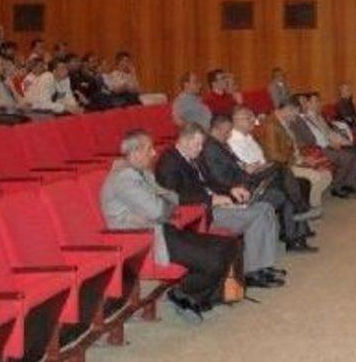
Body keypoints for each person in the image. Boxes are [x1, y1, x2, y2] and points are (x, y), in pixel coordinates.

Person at [100, 130, 240, 322]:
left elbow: (171, 196)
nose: (154, 153)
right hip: (145, 239)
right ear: (136, 152)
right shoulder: (123, 179)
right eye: (149, 149)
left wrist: (164, 205)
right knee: (212, 259)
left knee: (228, 245)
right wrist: (166, 206)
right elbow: (157, 210)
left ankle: (200, 298)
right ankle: (182, 294)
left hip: (163, 228)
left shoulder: (142, 173)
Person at [155, 123, 286, 288]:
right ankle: (251, 272)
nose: (201, 149)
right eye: (197, 144)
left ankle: (263, 266)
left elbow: (211, 181)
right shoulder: (168, 162)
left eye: (201, 144)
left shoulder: (193, 156)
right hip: (201, 214)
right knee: (258, 215)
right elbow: (173, 198)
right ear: (185, 141)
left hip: (215, 205)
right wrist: (211, 200)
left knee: (265, 208)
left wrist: (231, 189)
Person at [200, 114, 317, 253]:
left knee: (283, 185)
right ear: (217, 129)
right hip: (241, 188)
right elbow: (219, 180)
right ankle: (301, 210)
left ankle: (295, 234)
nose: (229, 134)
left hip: (246, 178)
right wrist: (245, 175)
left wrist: (246, 167)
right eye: (227, 131)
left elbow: (235, 165)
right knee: (280, 168)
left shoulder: (218, 145)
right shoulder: (210, 149)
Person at [265, 103, 333, 210]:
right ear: (286, 110)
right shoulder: (271, 125)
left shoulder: (286, 123)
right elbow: (273, 155)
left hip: (295, 160)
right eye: (294, 113)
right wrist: (297, 160)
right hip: (284, 166)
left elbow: (293, 148)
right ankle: (313, 207)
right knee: (316, 176)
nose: (296, 116)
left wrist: (304, 159)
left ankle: (312, 204)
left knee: (327, 174)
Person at [290, 94, 356, 197]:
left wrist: (332, 143)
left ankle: (349, 185)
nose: (306, 104)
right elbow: (305, 140)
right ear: (297, 105)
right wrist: (326, 145)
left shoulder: (307, 118)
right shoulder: (297, 120)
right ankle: (336, 187)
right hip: (317, 149)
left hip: (325, 145)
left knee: (352, 154)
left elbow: (322, 132)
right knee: (346, 158)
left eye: (306, 102)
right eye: (303, 102)